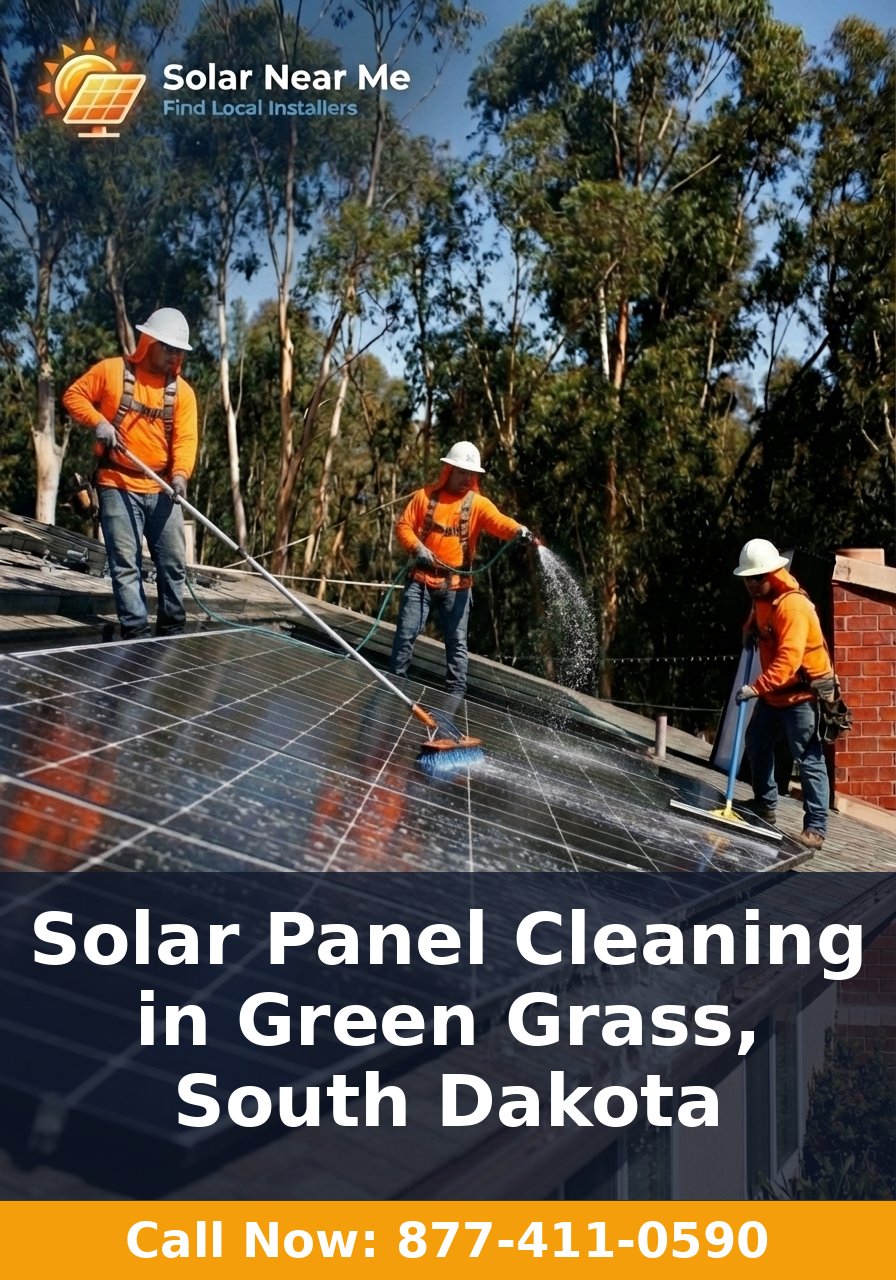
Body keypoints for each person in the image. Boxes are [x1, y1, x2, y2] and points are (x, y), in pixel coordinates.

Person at [63, 308, 198, 639]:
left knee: (172, 565)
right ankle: (137, 636)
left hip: (163, 488)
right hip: (117, 483)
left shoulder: (182, 393)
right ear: (148, 342)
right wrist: (99, 422)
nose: (174, 355)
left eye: (179, 350)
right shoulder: (111, 372)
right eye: (168, 347)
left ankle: (171, 632)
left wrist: (180, 476)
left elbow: (185, 439)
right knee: (126, 563)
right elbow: (73, 396)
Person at [390, 441, 534, 696]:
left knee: (456, 644)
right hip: (421, 579)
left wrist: (518, 530)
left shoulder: (477, 504)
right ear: (448, 470)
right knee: (406, 633)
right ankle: (395, 686)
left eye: (471, 473)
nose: (466, 478)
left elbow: (500, 522)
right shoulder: (425, 496)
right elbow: (404, 526)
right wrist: (417, 548)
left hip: (457, 586)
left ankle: (456, 696)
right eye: (461, 472)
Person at [732, 538, 833, 850]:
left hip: (800, 695)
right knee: (758, 741)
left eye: (755, 578)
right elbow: (757, 618)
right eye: (747, 578)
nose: (749, 584)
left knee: (808, 757)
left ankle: (815, 828)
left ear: (770, 574)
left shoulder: (793, 607)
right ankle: (765, 804)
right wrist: (748, 629)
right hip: (776, 694)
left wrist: (755, 688)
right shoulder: (762, 596)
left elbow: (788, 662)